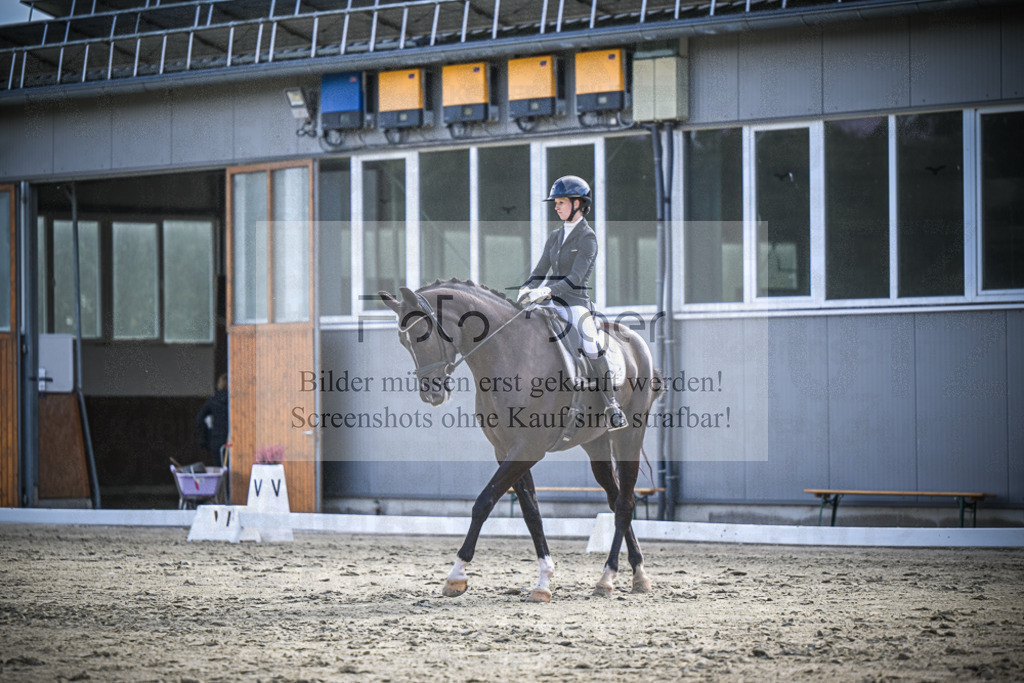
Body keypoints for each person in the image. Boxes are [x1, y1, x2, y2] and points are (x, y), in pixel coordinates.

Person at [517, 175, 627, 430]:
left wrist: (546, 291)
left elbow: (576, 278)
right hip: (550, 303)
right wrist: (527, 288)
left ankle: (611, 404)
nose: (556, 207)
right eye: (555, 203)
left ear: (578, 204)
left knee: (590, 343)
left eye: (561, 202)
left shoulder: (588, 238)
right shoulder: (555, 237)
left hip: (575, 304)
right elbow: (540, 270)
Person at [196, 373, 229, 467]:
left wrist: (207, 433)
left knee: (219, 468)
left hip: (216, 438)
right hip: (231, 438)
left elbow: (200, 418)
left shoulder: (212, 400)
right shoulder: (234, 399)